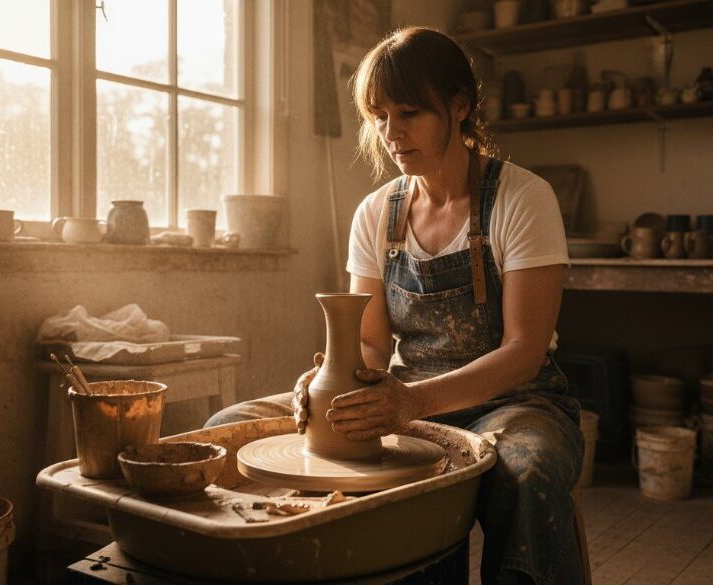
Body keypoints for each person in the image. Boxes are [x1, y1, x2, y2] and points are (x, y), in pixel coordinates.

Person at [206, 26, 584, 585]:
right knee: (227, 428)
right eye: (378, 115)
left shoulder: (522, 197)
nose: (391, 132)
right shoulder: (377, 213)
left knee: (527, 471)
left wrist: (410, 403)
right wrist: (326, 383)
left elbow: (524, 352)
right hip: (405, 391)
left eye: (409, 113)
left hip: (515, 400)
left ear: (459, 107)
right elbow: (369, 343)